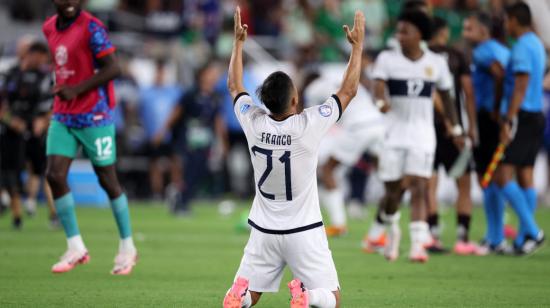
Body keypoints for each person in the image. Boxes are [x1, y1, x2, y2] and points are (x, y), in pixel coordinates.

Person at [223, 7, 364, 308]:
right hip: (304, 230)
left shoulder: (254, 121)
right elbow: (349, 90)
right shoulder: (308, 125)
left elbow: (235, 86)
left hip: (263, 230)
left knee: (252, 292)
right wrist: (357, 47)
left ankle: (240, 297)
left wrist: (238, 43)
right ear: (296, 99)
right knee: (333, 299)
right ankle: (307, 296)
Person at [43, 0, 137, 274]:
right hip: (63, 114)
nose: (70, 2)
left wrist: (76, 88)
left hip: (94, 116)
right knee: (54, 175)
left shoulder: (93, 28)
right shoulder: (48, 28)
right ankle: (75, 247)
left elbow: (113, 68)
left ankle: (128, 247)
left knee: (108, 180)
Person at [362, 10, 462, 263]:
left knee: (419, 185)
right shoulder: (387, 59)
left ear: (420, 34)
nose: (399, 35)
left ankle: (418, 244)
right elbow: (378, 87)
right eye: (398, 30)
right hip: (394, 134)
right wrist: (381, 102)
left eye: (405, 31)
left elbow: (447, 96)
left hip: (423, 134)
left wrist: (455, 126)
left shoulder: (436, 63)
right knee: (393, 192)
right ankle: (392, 230)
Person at [426, 16, 484, 255]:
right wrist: (469, 126)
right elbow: (468, 93)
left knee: (430, 183)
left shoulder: (422, 56)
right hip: (454, 130)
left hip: (427, 128)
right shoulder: (457, 56)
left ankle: (433, 235)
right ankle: (462, 238)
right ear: (445, 33)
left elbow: (432, 94)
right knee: (464, 182)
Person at [303, 71, 384, 237]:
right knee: (388, 176)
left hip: (357, 127)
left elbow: (310, 120)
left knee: (327, 170)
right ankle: (388, 226)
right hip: (378, 124)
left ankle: (339, 224)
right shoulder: (341, 76)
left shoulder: (312, 88)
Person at [495, 2, 545, 254]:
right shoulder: (536, 43)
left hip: (522, 116)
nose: (505, 24)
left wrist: (510, 119)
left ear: (514, 20)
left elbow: (521, 85)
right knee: (525, 175)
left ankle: (533, 231)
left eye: (507, 19)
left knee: (503, 175)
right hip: (535, 113)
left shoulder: (523, 47)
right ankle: (524, 238)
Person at [462, 12, 510, 253]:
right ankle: (496, 234)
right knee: (494, 177)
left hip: (488, 118)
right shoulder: (502, 49)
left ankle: (496, 237)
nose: (464, 33)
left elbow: (499, 74)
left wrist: (494, 107)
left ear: (483, 30)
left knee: (489, 177)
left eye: (469, 28)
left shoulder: (483, 52)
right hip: (500, 117)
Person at [154, 61, 227, 216]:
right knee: (185, 171)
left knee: (199, 171)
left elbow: (218, 120)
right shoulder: (191, 94)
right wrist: (162, 132)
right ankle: (180, 202)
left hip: (205, 142)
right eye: (211, 73)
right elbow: (176, 113)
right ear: (202, 75)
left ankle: (182, 200)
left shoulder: (215, 97)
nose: (214, 76)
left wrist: (223, 141)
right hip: (187, 141)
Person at [1, 41, 58, 228]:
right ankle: (17, 217)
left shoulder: (46, 77)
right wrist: (11, 121)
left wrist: (43, 121)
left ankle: (54, 215)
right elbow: (2, 106)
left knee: (46, 171)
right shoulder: (10, 75)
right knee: (11, 173)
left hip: (37, 130)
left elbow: (55, 105)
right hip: (12, 132)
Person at [140, 59, 183, 200]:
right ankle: (157, 193)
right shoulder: (146, 93)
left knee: (175, 163)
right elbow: (142, 114)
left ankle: (175, 192)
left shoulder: (173, 92)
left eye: (162, 73)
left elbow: (178, 112)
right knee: (155, 165)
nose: (160, 76)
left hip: (170, 136)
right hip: (153, 136)